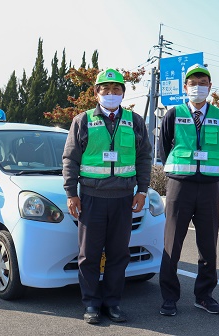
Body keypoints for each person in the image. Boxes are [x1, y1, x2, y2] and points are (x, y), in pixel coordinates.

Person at [62, 68, 152, 324]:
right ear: (96, 93)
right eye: (106, 89)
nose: (111, 94)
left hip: (124, 199)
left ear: (123, 93)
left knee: (118, 254)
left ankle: (113, 304)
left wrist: (142, 190)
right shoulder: (82, 120)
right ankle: (91, 304)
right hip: (91, 198)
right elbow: (70, 158)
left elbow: (144, 157)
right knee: (89, 254)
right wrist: (71, 193)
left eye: (116, 89)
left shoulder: (135, 122)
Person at [157, 64, 219, 316]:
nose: (197, 87)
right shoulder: (173, 114)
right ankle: (169, 297)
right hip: (180, 185)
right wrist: (181, 170)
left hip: (209, 187)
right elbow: (164, 148)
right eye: (192, 83)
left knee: (208, 245)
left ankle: (204, 296)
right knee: (172, 244)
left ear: (210, 87)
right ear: (185, 87)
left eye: (202, 83)